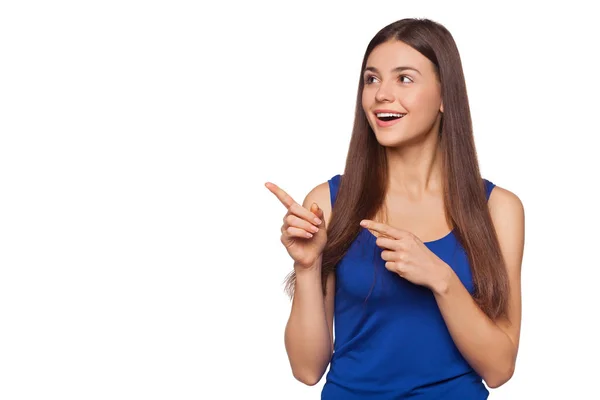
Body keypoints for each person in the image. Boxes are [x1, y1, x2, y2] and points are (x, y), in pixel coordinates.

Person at [265, 17, 525, 399]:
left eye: (404, 78)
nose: (381, 94)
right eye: (371, 79)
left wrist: (442, 279)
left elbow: (500, 369)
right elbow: (306, 370)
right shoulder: (327, 204)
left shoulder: (499, 209)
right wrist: (307, 268)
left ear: (443, 96)